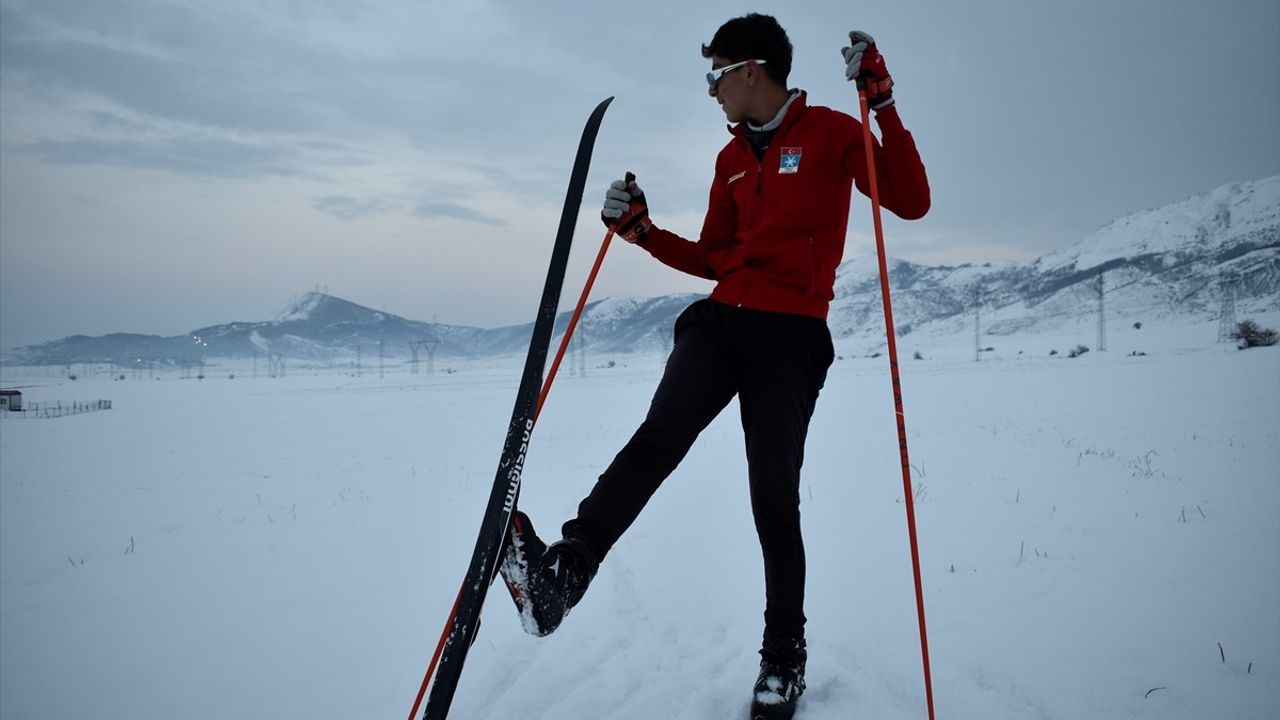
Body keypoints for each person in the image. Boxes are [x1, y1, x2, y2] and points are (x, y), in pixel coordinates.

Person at [499, 13, 930, 719]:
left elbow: (911, 201)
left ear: (751, 70)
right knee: (658, 436)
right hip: (721, 322)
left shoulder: (830, 133)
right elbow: (711, 256)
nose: (711, 92)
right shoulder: (730, 161)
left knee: (772, 496)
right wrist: (642, 233)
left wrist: (881, 102)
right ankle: (563, 577)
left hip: (791, 334)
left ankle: (782, 661)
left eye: (716, 75)